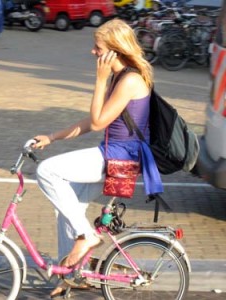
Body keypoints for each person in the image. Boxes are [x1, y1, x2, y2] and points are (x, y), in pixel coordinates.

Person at [33, 18, 163, 297]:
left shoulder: (129, 79)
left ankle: (87, 237)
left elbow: (98, 121)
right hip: (118, 154)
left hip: (120, 156)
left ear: (114, 50)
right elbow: (91, 123)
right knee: (67, 210)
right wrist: (53, 136)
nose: (93, 52)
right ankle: (72, 273)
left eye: (97, 47)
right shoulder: (123, 76)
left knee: (47, 171)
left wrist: (100, 80)